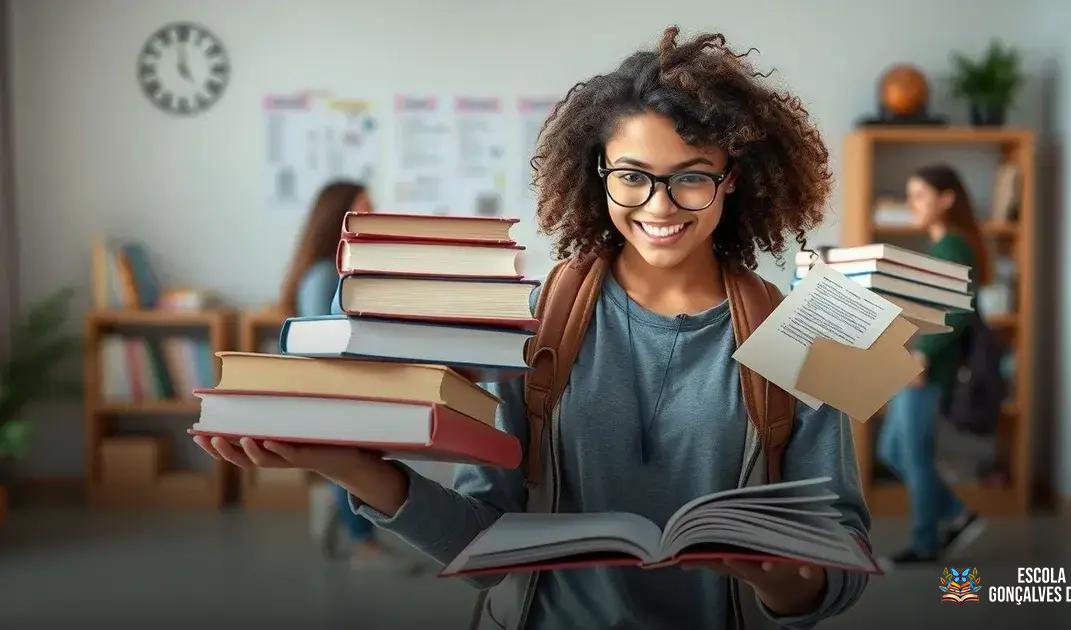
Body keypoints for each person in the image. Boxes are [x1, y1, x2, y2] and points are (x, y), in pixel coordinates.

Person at [196, 27, 869, 629]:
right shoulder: (533, 322)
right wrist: (346, 468)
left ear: (732, 181)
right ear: (598, 176)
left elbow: (843, 551)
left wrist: (791, 585)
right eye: (632, 176)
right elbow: (487, 551)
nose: (659, 205)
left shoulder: (807, 334)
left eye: (690, 178)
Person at [278, 180, 418, 571]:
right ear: (339, 217)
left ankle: (333, 499)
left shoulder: (349, 269)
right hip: (327, 390)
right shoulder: (323, 275)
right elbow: (317, 346)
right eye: (364, 208)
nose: (374, 215)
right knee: (360, 451)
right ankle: (363, 547)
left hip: (350, 382)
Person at [877, 164, 990, 565]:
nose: (912, 204)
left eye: (920, 195)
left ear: (946, 199)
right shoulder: (942, 246)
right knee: (893, 450)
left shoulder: (953, 246)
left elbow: (958, 311)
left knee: (914, 455)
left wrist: (923, 356)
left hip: (925, 369)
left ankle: (926, 544)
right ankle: (958, 513)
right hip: (913, 363)